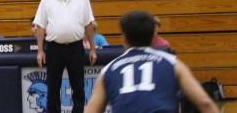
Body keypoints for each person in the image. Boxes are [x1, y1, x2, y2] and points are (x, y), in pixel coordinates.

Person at [84, 10, 219, 113]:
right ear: (154, 37)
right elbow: (205, 102)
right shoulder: (172, 62)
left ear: (124, 39)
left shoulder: (108, 69)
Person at [33, 0, 97, 113]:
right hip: (54, 49)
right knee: (53, 88)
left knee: (78, 88)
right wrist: (40, 51)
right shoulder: (46, 0)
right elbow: (40, 27)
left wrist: (93, 49)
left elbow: (88, 24)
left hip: (75, 48)